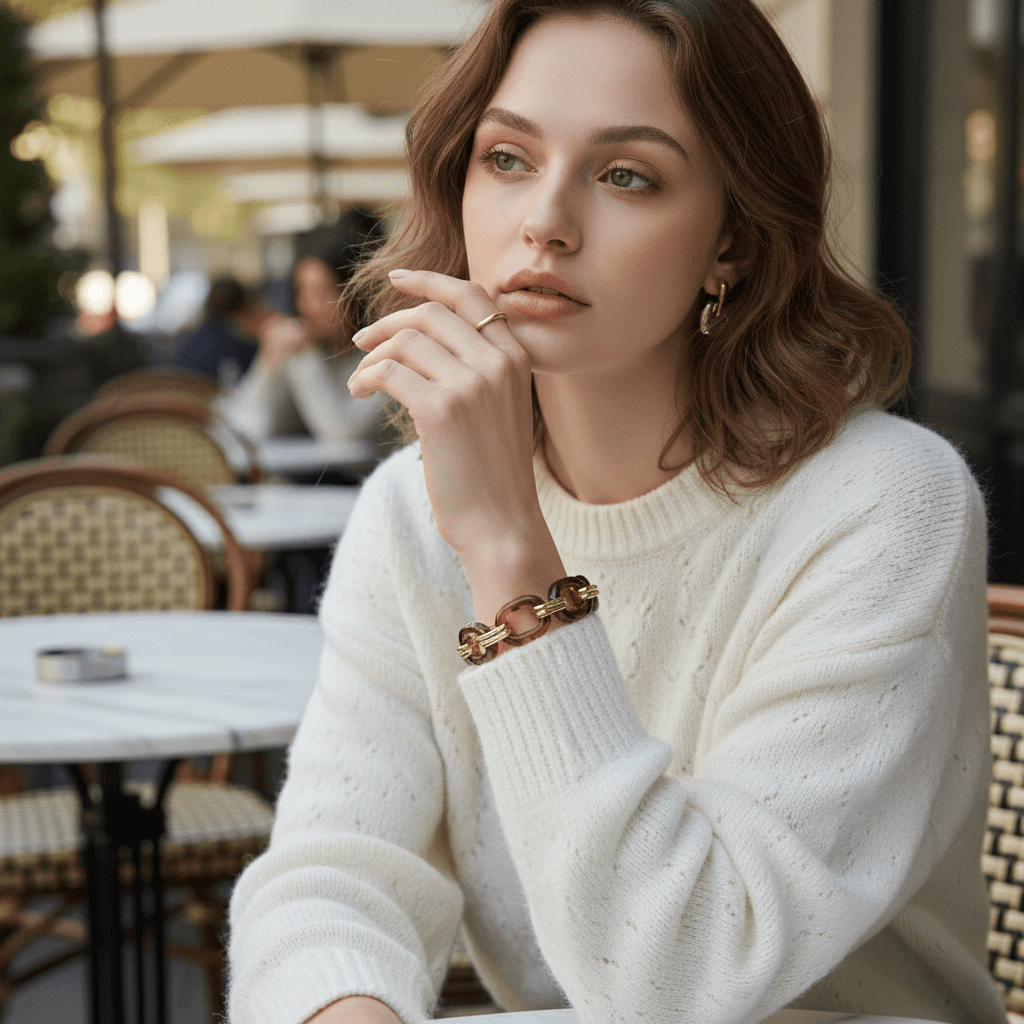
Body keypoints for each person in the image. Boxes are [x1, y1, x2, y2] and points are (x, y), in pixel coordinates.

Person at [227, 1, 1006, 1023]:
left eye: (625, 174)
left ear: (729, 239)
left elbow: (682, 974)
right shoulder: (409, 513)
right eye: (507, 158)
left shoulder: (883, 506)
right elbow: (333, 880)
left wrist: (510, 548)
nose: (545, 219)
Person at [216, 229, 384, 446]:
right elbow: (247, 427)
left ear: (355, 293)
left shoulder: (383, 355)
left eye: (319, 293)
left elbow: (343, 436)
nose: (305, 306)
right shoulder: (315, 353)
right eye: (301, 292)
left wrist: (305, 356)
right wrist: (268, 365)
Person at [170, 275, 263, 386]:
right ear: (243, 308)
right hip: (207, 401)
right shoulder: (239, 347)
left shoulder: (184, 341)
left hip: (172, 399)